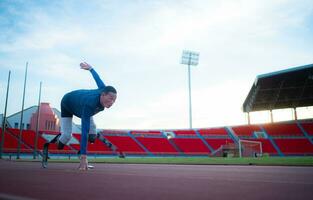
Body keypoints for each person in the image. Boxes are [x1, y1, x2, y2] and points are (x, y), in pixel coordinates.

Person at [57, 62, 117, 170]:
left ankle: (90, 141)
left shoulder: (103, 89)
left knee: (93, 128)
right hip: (67, 103)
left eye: (114, 100)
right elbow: (84, 131)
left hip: (81, 106)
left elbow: (97, 78)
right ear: (103, 95)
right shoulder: (89, 104)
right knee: (67, 136)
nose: (112, 102)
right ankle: (59, 143)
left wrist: (91, 68)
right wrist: (84, 157)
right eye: (110, 99)